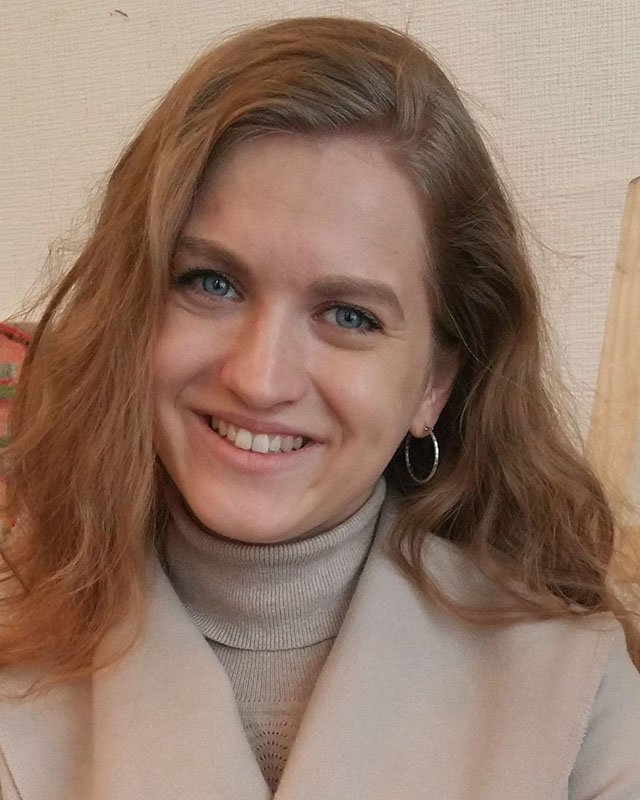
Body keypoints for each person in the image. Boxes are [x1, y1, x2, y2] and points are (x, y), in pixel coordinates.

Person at [0, 16, 639, 800]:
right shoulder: (13, 647)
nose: (259, 379)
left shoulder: (578, 692)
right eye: (212, 282)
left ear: (434, 384)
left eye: (348, 315)